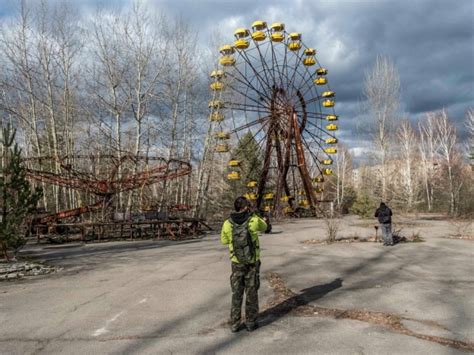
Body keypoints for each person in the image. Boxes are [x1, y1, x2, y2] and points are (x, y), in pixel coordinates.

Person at [221, 196, 268, 332]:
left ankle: (235, 323)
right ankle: (250, 323)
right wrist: (255, 214)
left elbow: (224, 241)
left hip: (236, 262)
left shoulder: (227, 223)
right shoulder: (253, 221)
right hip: (252, 262)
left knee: (236, 292)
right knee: (251, 292)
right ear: (246, 207)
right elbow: (265, 227)